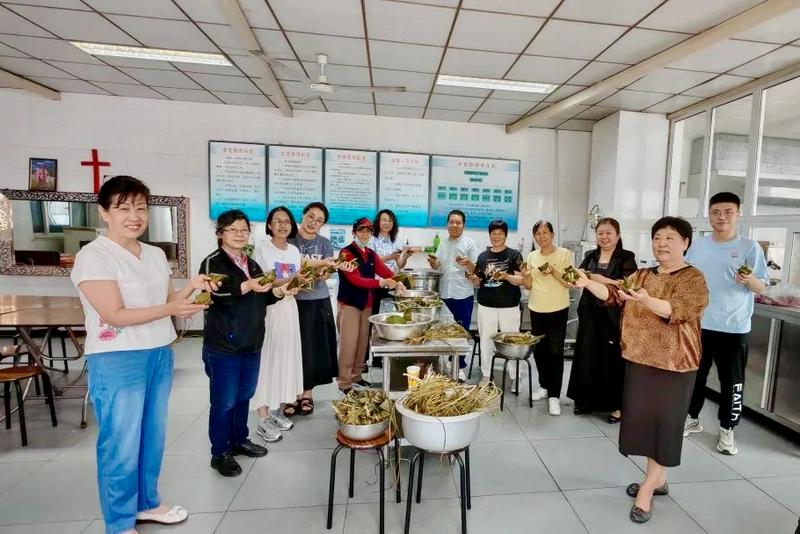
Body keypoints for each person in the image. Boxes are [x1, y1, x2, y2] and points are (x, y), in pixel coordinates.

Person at [71, 176, 212, 534]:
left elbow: (167, 302)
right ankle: (118, 522)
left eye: (140, 208)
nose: (133, 216)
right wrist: (171, 309)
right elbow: (115, 315)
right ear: (104, 212)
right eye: (123, 208)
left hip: (158, 353)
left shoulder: (154, 254)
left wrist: (191, 292)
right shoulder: (94, 256)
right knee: (120, 441)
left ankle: (146, 503)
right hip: (117, 357)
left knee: (152, 435)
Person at [574, 216, 708, 524]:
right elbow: (614, 296)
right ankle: (657, 479)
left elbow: (681, 312)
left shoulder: (693, 278)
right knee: (646, 424)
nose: (662, 243)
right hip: (639, 360)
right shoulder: (643, 274)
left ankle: (647, 489)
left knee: (665, 424)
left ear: (685, 243)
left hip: (674, 364)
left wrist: (647, 300)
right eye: (658, 237)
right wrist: (586, 283)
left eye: (670, 238)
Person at [200, 209, 295, 477]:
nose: (240, 234)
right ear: (220, 233)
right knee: (224, 402)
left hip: (251, 342)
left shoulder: (250, 263)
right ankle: (220, 453)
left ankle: (239, 440)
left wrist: (277, 291)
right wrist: (247, 286)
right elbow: (213, 296)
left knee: (243, 396)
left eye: (244, 229)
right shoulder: (213, 263)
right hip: (224, 346)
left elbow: (261, 297)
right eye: (233, 230)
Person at [684, 192, 767, 455]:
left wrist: (749, 280)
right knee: (693, 377)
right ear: (709, 214)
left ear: (738, 214)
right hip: (699, 324)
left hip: (733, 327)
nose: (722, 217)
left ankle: (727, 429)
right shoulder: (698, 245)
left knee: (732, 381)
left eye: (728, 212)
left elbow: (761, 286)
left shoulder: (749, 247)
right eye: (716, 212)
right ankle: (692, 418)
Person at [567, 218, 637, 422]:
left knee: (612, 361)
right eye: (600, 233)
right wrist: (587, 278)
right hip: (589, 314)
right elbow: (578, 275)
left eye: (609, 233)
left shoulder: (626, 258)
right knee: (586, 356)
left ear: (618, 236)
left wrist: (595, 278)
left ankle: (616, 407)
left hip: (612, 317)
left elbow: (626, 285)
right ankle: (584, 401)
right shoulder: (590, 256)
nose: (604, 237)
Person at [252, 206, 311, 442]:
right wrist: (290, 280)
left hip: (289, 308)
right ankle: (262, 417)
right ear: (269, 225)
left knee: (286, 357)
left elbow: (294, 280)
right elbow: (263, 280)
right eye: (277, 221)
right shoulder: (261, 250)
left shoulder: (295, 250)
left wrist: (296, 285)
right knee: (267, 359)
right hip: (269, 309)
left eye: (287, 221)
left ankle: (276, 410)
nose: (283, 225)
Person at [288, 202, 354, 415]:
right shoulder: (289, 242)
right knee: (293, 348)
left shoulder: (325, 243)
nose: (313, 223)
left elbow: (326, 272)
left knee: (313, 350)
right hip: (292, 302)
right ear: (303, 215)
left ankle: (307, 394)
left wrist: (325, 272)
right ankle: (291, 394)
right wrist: (319, 265)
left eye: (319, 220)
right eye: (310, 217)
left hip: (318, 301)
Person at [338, 217, 406, 393]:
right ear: (354, 232)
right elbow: (356, 280)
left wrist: (399, 282)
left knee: (362, 343)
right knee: (349, 343)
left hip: (367, 303)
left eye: (368, 231)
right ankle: (344, 382)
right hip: (350, 304)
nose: (364, 233)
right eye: (361, 230)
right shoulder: (346, 253)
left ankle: (357, 376)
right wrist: (381, 283)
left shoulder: (370, 253)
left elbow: (385, 271)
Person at [521, 220, 573, 416]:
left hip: (557, 309)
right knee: (539, 351)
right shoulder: (532, 256)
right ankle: (543, 386)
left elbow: (570, 282)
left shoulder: (564, 254)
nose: (541, 236)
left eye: (545, 232)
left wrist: (553, 271)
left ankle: (554, 396)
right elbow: (528, 285)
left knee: (555, 352)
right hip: (536, 308)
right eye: (538, 233)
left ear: (552, 234)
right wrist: (525, 275)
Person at [468, 219, 524, 381]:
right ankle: (486, 375)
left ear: (506, 235)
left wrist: (506, 276)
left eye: (500, 233)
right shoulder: (483, 256)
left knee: (511, 342)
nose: (496, 236)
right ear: (489, 235)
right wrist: (473, 279)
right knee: (486, 340)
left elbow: (522, 280)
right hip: (486, 306)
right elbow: (479, 282)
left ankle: (515, 376)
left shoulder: (514, 255)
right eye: (493, 233)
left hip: (509, 306)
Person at [428, 209, 479, 379]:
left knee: (461, 331)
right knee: (445, 331)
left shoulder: (470, 244)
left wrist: (468, 263)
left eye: (458, 222)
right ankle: (446, 363)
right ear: (447, 224)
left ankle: (460, 367)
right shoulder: (442, 244)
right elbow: (437, 267)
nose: (455, 225)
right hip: (445, 293)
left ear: (463, 225)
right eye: (452, 222)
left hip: (463, 293)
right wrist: (434, 263)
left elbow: (476, 270)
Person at [368, 209, 408, 368]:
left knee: (389, 322)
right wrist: (389, 256)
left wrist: (405, 256)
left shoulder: (395, 241)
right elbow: (373, 263)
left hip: (391, 284)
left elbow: (400, 265)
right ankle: (371, 358)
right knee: (373, 322)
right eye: (384, 220)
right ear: (378, 222)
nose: (387, 223)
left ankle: (385, 356)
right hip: (376, 285)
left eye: (390, 221)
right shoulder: (371, 241)